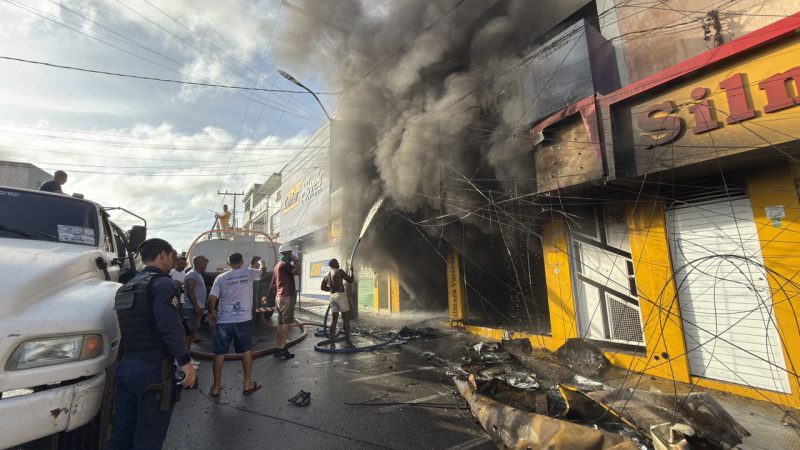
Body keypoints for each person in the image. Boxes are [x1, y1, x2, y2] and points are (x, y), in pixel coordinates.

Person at [108, 238, 197, 450]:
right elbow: (170, 327)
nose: (174, 261)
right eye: (172, 256)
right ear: (163, 255)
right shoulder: (163, 284)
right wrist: (186, 363)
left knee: (122, 431)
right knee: (149, 435)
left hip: (127, 366)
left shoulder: (126, 287)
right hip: (154, 370)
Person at [207, 252, 266, 397]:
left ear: (228, 263)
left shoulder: (220, 278)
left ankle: (216, 387)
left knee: (219, 353)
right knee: (246, 351)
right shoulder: (248, 272)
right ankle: (247, 384)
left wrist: (212, 314)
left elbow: (212, 299)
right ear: (242, 262)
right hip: (243, 320)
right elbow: (262, 272)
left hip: (225, 321)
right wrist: (262, 262)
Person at [273, 243, 301, 360]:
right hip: (287, 296)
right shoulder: (285, 265)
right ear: (288, 253)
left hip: (279, 297)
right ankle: (282, 349)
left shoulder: (278, 264)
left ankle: (278, 347)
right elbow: (297, 272)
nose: (292, 254)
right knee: (286, 324)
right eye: (291, 253)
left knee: (281, 324)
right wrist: (297, 261)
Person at [182, 255, 209, 368]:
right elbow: (190, 291)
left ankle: (187, 359)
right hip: (191, 308)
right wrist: (197, 307)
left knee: (192, 334)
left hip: (196, 307)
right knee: (188, 335)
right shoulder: (192, 274)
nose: (206, 264)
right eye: (205, 262)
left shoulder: (197, 274)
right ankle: (185, 361)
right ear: (199, 263)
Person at [322, 258, 355, 349]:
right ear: (334, 264)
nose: (338, 263)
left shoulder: (326, 275)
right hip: (341, 296)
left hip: (332, 297)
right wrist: (352, 271)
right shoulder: (340, 271)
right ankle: (348, 342)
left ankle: (332, 344)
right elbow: (351, 280)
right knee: (346, 319)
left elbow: (323, 287)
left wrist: (332, 289)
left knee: (334, 320)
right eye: (337, 262)